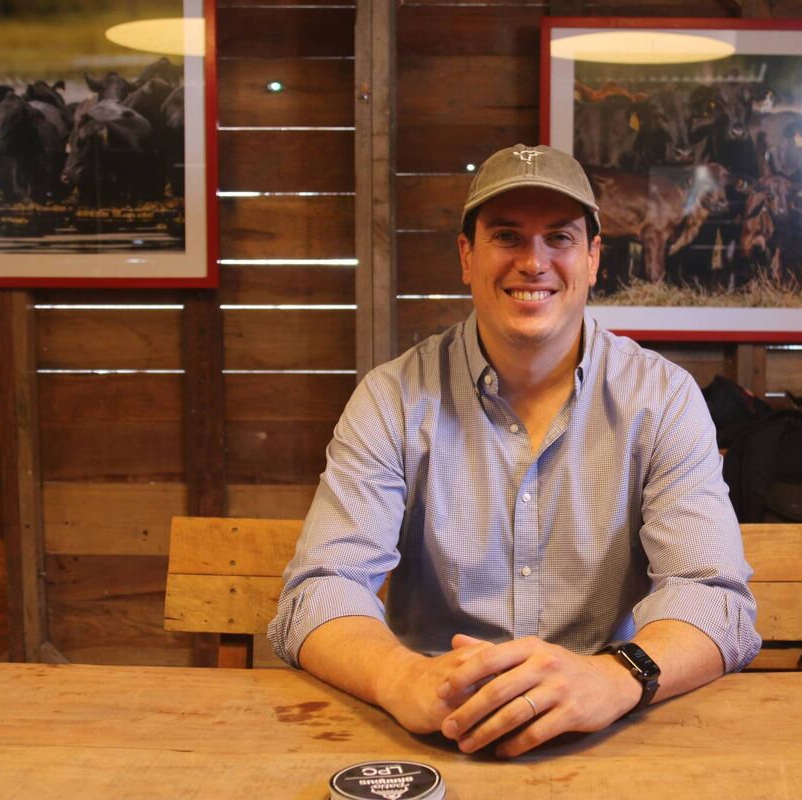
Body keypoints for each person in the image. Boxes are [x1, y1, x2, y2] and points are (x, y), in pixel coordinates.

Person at [268, 144, 760, 758]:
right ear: (467, 257)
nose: (533, 262)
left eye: (559, 238)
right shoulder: (392, 398)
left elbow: (715, 596)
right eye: (506, 236)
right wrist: (399, 676)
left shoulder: (662, 398)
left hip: (609, 729)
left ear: (593, 258)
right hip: (432, 729)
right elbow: (320, 588)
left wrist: (615, 676)